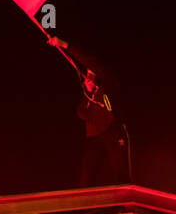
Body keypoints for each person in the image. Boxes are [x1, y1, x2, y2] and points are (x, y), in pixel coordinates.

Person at [47, 36, 130, 186]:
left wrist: (65, 44)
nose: (88, 79)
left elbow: (91, 63)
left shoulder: (108, 83)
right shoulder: (88, 95)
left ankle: (126, 205)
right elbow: (81, 114)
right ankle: (85, 206)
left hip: (113, 131)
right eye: (87, 76)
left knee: (121, 172)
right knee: (86, 175)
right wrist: (89, 94)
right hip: (93, 136)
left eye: (92, 75)